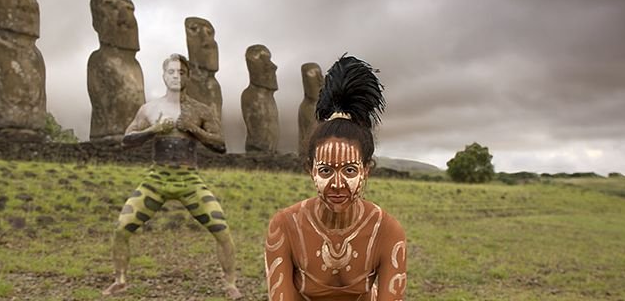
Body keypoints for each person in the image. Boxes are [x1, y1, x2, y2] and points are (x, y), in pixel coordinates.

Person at [264, 55, 407, 301]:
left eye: (350, 170)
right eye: (326, 171)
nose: (337, 185)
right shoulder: (285, 226)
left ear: (366, 170)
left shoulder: (386, 230)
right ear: (311, 170)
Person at [103, 54, 242, 299]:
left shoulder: (200, 110)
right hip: (157, 179)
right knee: (121, 228)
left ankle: (230, 283)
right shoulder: (150, 108)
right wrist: (153, 129)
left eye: (181, 72)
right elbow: (127, 140)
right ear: (164, 75)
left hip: (189, 180)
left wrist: (194, 129)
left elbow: (220, 145)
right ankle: (120, 280)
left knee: (222, 230)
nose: (176, 76)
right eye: (171, 72)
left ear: (187, 76)